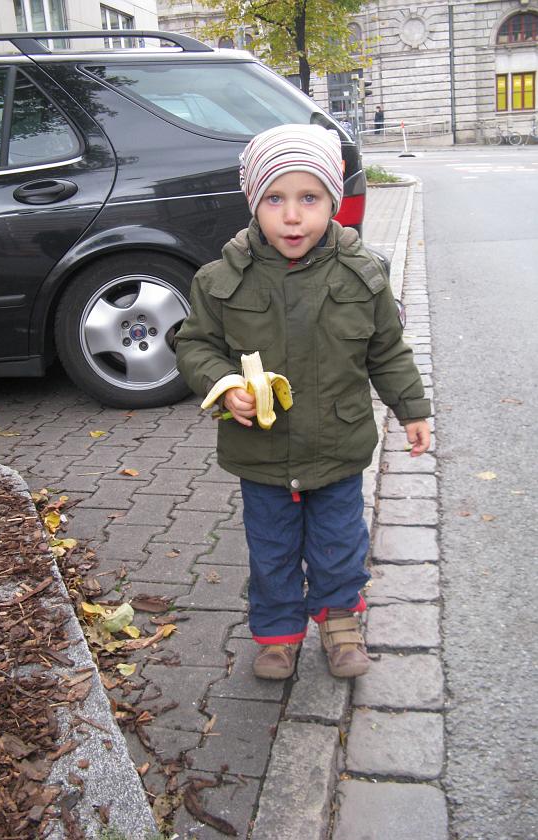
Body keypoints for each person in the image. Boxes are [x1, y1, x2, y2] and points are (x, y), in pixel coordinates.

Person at [175, 124, 430, 681]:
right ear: (254, 203)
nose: (293, 217)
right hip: (261, 453)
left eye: (309, 198)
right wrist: (223, 385)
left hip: (338, 447)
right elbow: (195, 344)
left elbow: (386, 350)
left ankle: (339, 623)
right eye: (275, 199)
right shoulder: (220, 279)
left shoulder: (362, 274)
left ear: (332, 202)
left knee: (340, 545)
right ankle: (276, 634)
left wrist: (412, 410)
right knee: (272, 551)